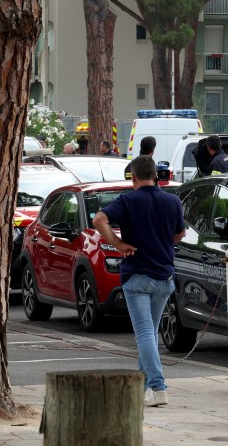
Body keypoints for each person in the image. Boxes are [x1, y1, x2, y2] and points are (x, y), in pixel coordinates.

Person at [93, 155, 184, 407]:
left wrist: (118, 244)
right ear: (156, 176)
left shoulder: (127, 200)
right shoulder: (173, 201)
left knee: (144, 333)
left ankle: (158, 386)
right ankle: (144, 387)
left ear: (132, 177)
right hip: (164, 276)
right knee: (150, 334)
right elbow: (180, 234)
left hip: (137, 276)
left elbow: (99, 220)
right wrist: (162, 240)